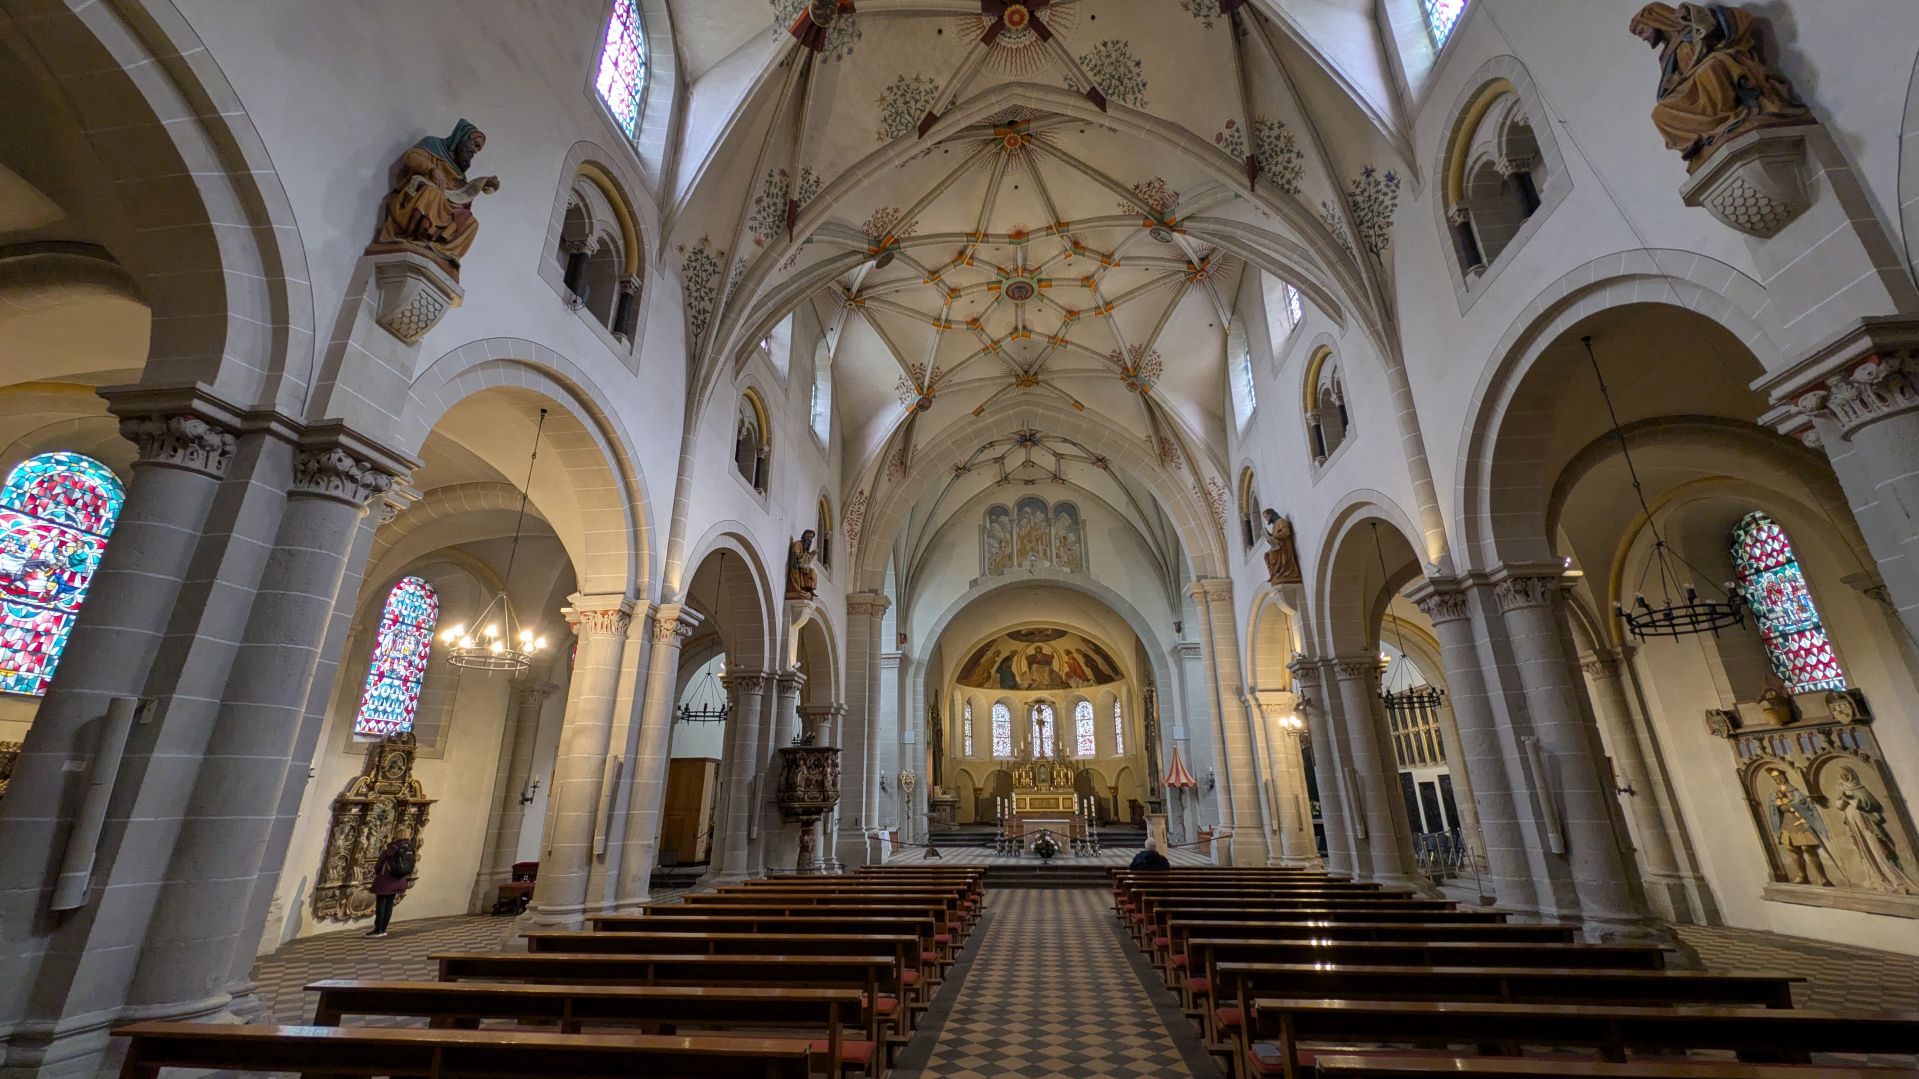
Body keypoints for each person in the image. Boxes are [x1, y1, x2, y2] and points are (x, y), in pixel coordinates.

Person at [366, 835, 415, 937]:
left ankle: (378, 930)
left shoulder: (392, 848)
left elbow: (379, 864)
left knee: (381, 904)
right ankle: (384, 928)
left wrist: (377, 872)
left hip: (386, 880)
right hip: (399, 880)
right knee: (389, 905)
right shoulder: (409, 848)